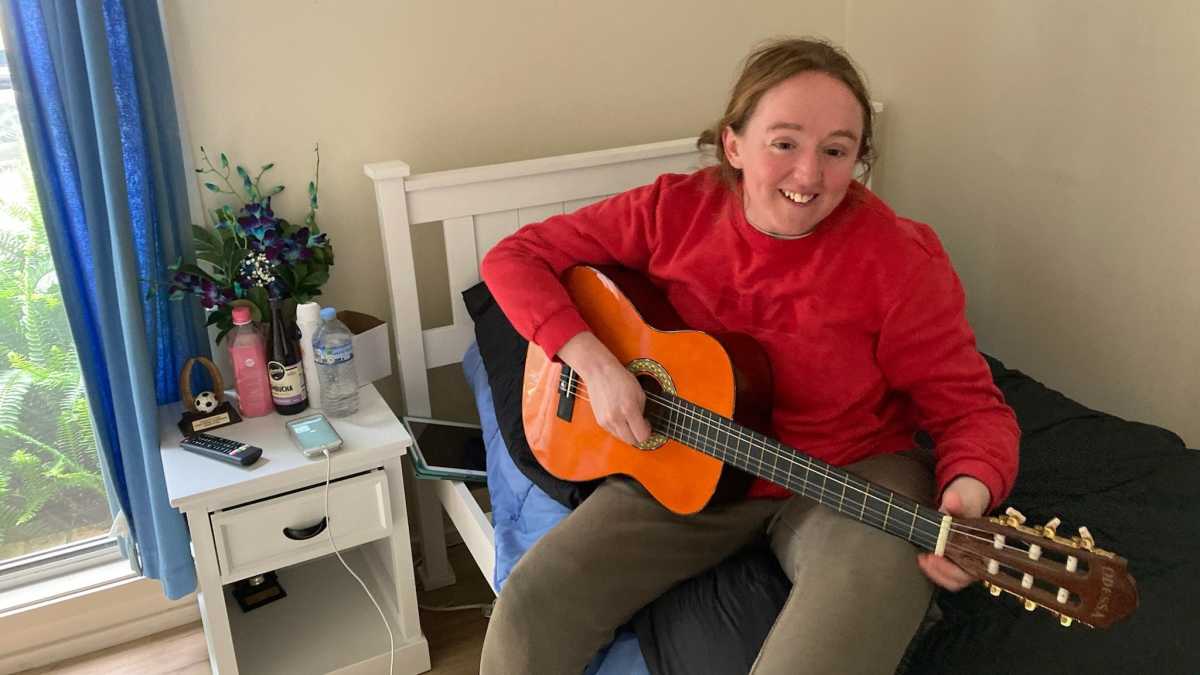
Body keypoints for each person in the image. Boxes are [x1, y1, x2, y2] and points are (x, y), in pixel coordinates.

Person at [478, 37, 1019, 675]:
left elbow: (973, 412)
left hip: (849, 470)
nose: (809, 175)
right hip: (685, 453)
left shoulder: (902, 260)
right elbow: (513, 259)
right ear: (733, 145)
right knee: (532, 603)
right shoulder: (670, 210)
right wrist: (595, 362)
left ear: (859, 161)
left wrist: (968, 494)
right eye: (784, 142)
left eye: (836, 151)